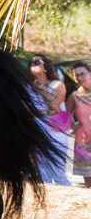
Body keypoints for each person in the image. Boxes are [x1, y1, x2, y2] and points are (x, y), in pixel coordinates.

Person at [30, 54, 71, 186]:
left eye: (37, 62)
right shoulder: (29, 87)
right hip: (38, 130)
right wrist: (45, 112)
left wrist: (41, 86)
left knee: (58, 173)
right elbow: (24, 110)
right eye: (31, 63)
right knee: (43, 174)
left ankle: (68, 200)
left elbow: (53, 105)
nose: (33, 65)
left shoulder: (58, 84)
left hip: (57, 130)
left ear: (46, 66)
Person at [66, 62, 91, 188]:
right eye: (77, 75)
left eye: (83, 74)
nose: (80, 78)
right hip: (83, 142)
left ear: (90, 74)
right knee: (88, 182)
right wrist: (72, 125)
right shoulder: (75, 96)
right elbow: (66, 114)